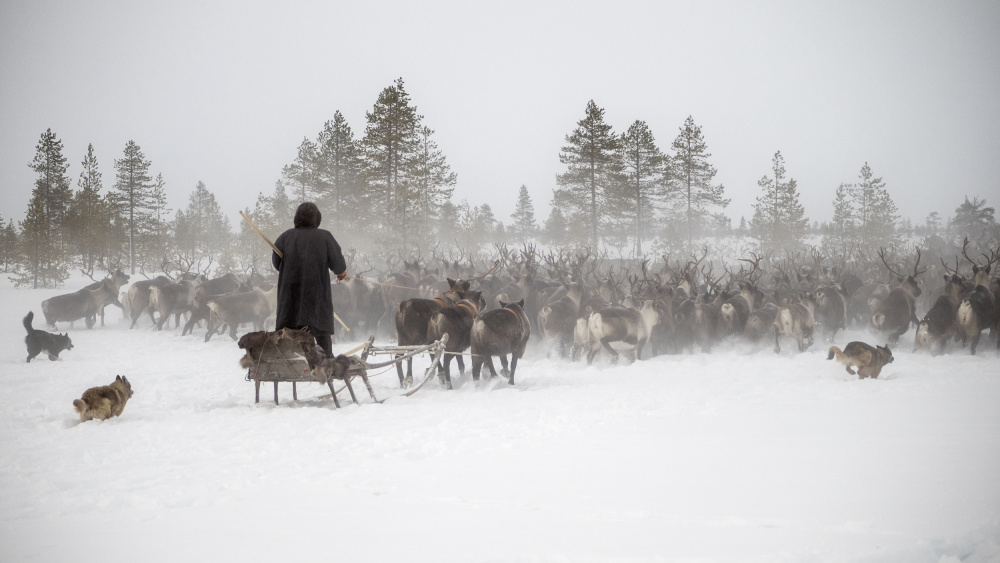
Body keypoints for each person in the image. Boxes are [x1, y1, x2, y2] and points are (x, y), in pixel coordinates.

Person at [271, 202, 347, 357]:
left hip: (290, 301)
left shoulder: (285, 237)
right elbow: (338, 265)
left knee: (287, 336)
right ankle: (326, 363)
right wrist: (341, 274)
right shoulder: (325, 236)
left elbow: (276, 263)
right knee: (322, 339)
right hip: (316, 300)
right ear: (316, 218)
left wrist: (291, 271)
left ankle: (287, 363)